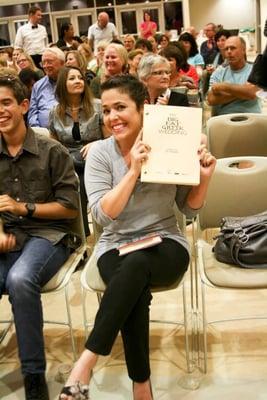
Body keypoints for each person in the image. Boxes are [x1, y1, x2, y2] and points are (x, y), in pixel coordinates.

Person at [58, 74, 216, 400]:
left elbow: (189, 210)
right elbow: (102, 216)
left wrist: (204, 178)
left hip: (166, 243)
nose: (113, 117)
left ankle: (86, 363)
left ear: (142, 108)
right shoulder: (100, 154)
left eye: (121, 107)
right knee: (134, 278)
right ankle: (141, 387)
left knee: (137, 264)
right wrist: (132, 170)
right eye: (107, 110)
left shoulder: (174, 142)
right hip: (114, 245)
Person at [0, 71, 79, 400]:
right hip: (10, 235)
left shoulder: (51, 150)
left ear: (23, 105)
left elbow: (70, 209)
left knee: (19, 280)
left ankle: (34, 377)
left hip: (50, 235)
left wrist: (22, 209)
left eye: (5, 103)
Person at [49, 66, 105, 236]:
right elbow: (54, 145)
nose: (78, 81)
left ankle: (91, 233)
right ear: (62, 85)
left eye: (80, 78)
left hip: (96, 155)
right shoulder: (55, 112)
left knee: (80, 177)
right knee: (75, 180)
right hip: (70, 160)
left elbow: (111, 138)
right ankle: (82, 234)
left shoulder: (98, 106)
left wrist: (97, 144)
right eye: (72, 78)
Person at [208, 36, 261, 115]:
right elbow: (211, 99)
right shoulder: (219, 72)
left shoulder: (255, 70)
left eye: (233, 48)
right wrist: (243, 91)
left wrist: (224, 87)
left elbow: (252, 93)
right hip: (224, 119)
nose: (229, 52)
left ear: (243, 50)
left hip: (250, 118)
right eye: (226, 49)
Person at [28, 47, 65, 128]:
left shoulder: (70, 81)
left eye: (49, 62)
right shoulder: (38, 86)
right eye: (43, 63)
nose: (45, 66)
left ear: (62, 63)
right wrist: (39, 131)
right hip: (44, 134)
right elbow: (32, 114)